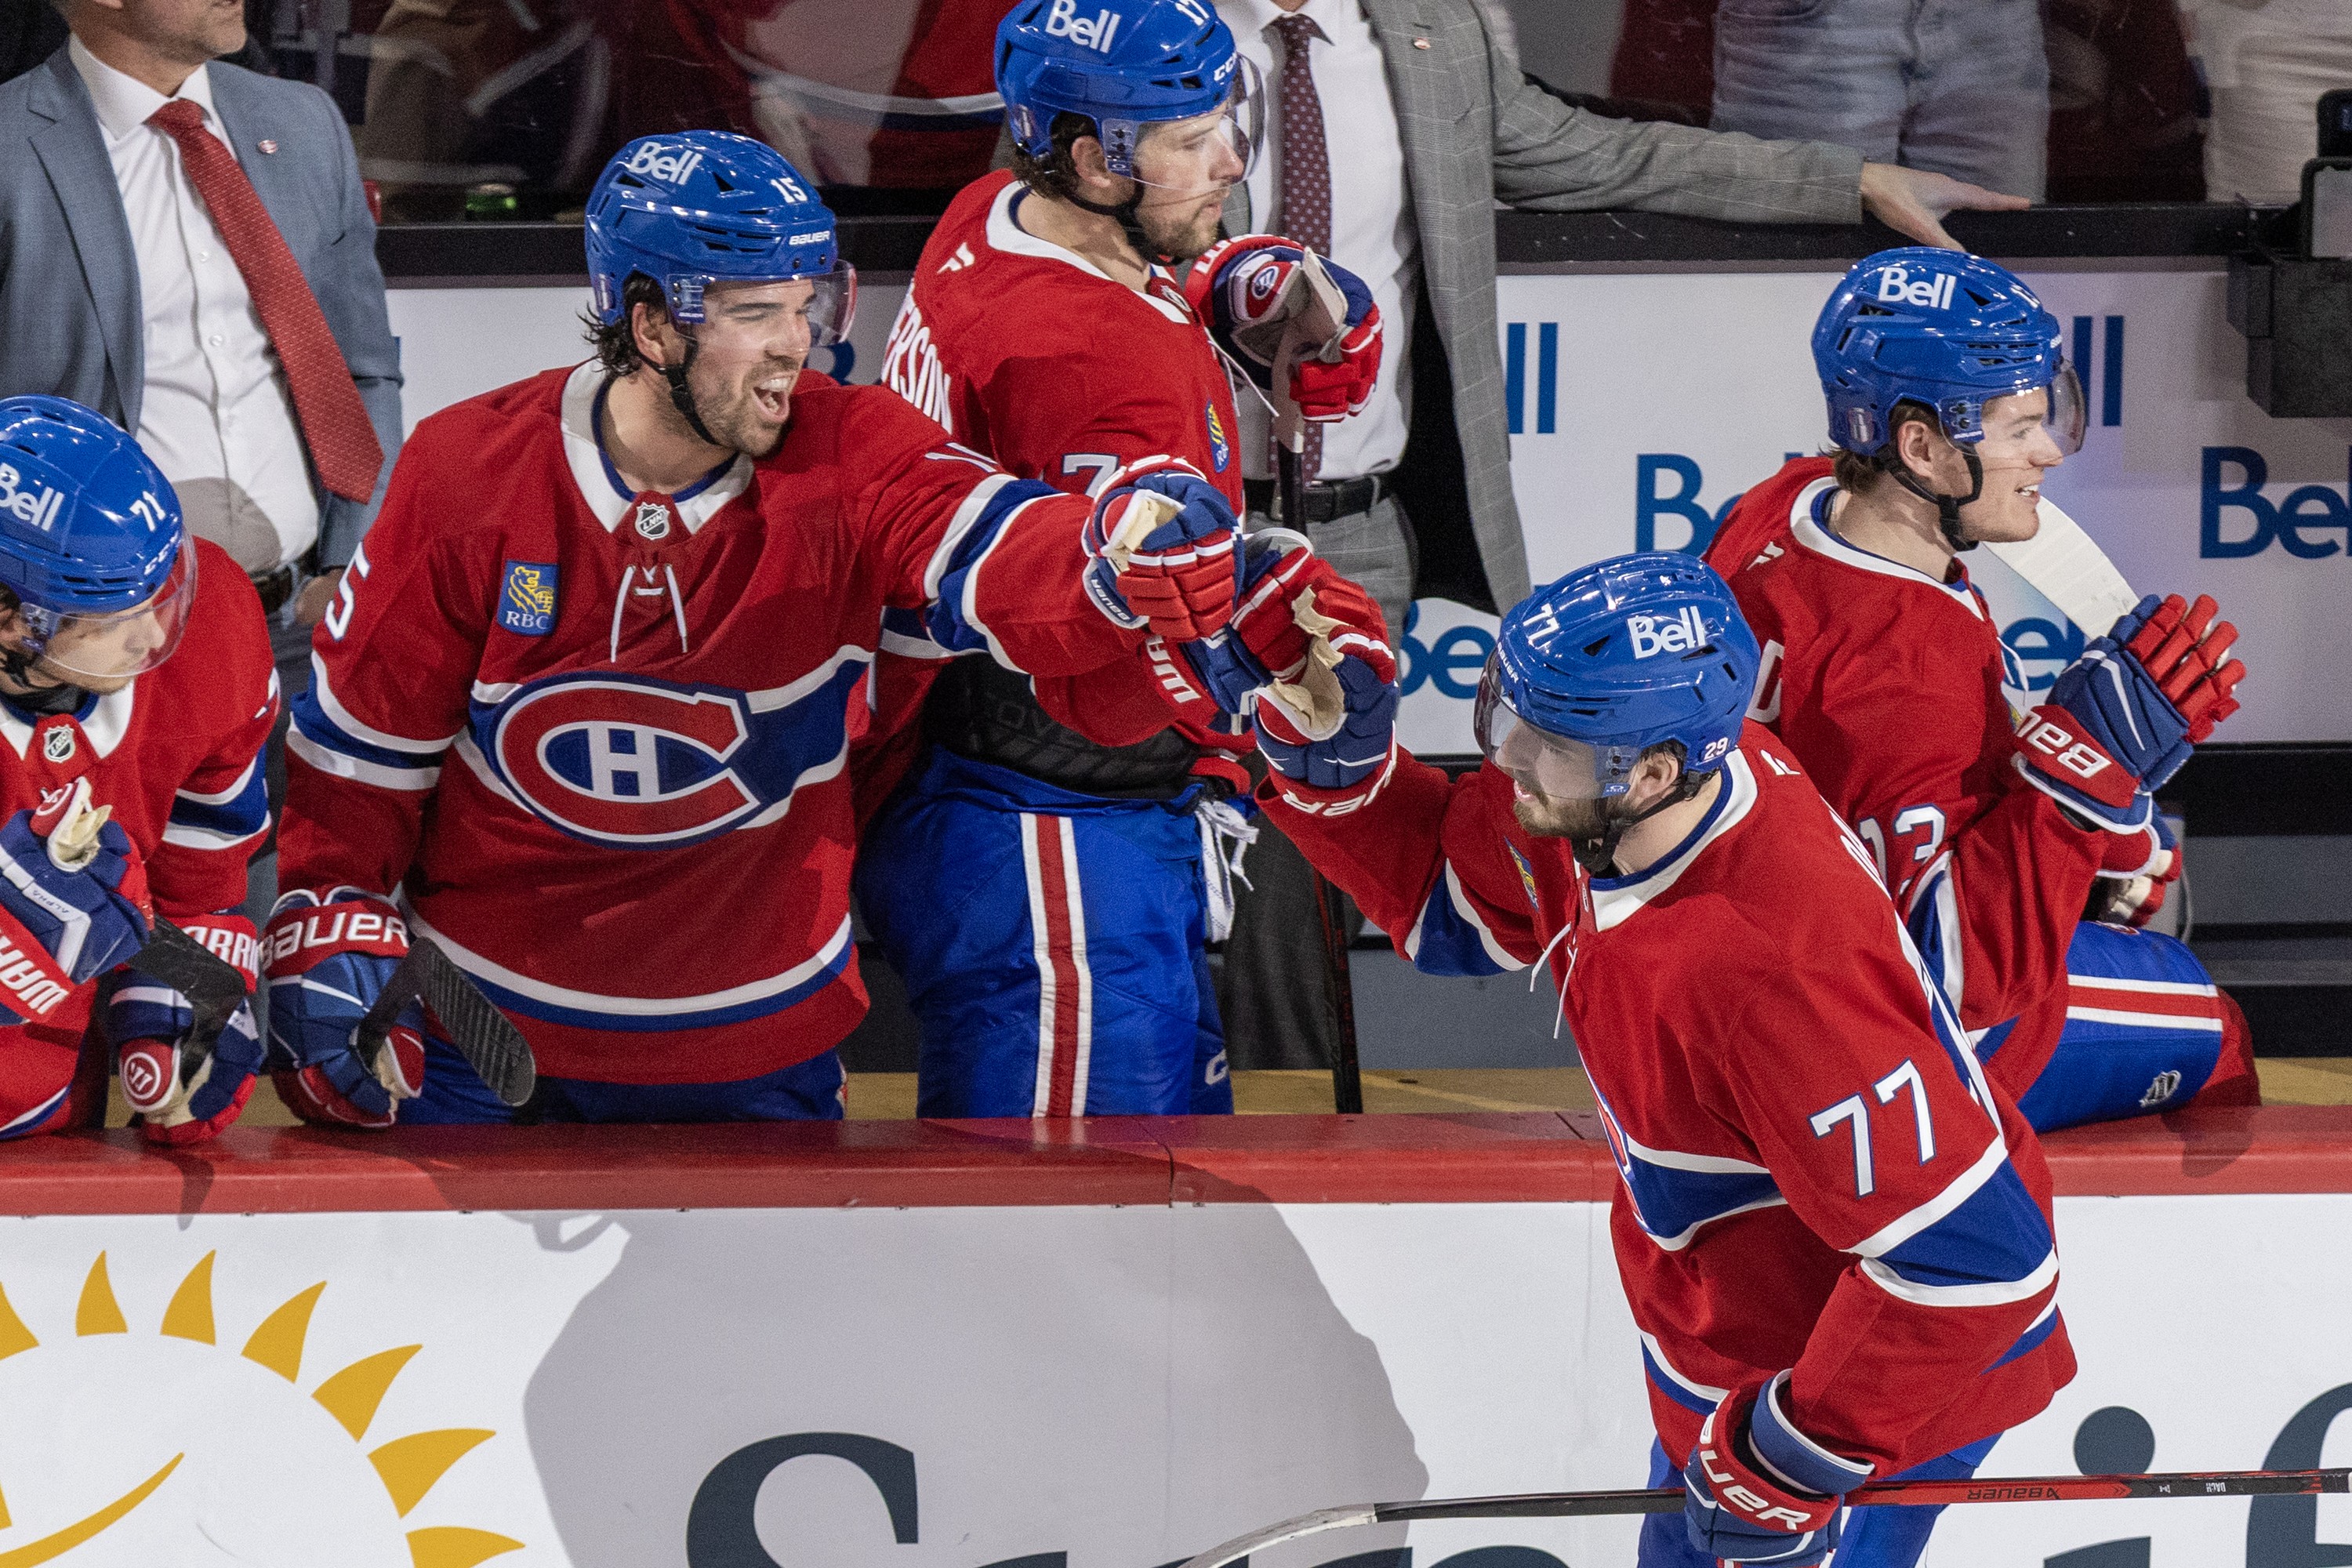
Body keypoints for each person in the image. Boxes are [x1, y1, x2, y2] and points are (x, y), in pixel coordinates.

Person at [262, 130, 1266, 1127]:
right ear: (650, 325)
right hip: (478, 1038)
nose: (799, 341)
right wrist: (326, 906)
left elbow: (990, 539)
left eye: (806, 303)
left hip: (756, 1048)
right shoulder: (466, 470)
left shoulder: (854, 447)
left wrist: (1111, 547)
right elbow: (364, 757)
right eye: (756, 314)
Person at [1207, 0, 2034, 1073]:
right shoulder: (1122, 34)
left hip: (1352, 526)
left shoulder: (1428, 30)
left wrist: (1844, 182)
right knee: (1129, 841)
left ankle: (1274, 1138)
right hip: (1186, 510)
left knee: (1299, 879)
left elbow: (1600, 154)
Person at [1247, 552, 2073, 1568]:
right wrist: (1329, 766)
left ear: (1652, 773)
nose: (1507, 759)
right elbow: (1454, 905)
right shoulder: (1610, 797)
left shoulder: (1779, 978)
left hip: (1850, 1401)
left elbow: (1982, 1265)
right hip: (1726, 1344)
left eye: (1541, 741)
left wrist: (1792, 1454)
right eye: (1511, 716)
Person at [863, 0, 1383, 1116]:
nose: (1233, 161)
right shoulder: (1091, 360)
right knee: (1079, 1228)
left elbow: (1087, 303)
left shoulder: (993, 208)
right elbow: (1113, 680)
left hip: (986, 805)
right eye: (1190, 140)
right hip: (1061, 853)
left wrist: (1224, 286)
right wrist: (1298, 666)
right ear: (1096, 158)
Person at [1703, 248, 2257, 1132]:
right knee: (2215, 1030)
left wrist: (2095, 822)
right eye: (2021, 427)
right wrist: (2081, 783)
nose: (2048, 451)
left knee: (2134, 858)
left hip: (1734, 978)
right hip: (1876, 1058)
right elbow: (1954, 983)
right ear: (1921, 445)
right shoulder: (1901, 669)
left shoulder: (1785, 502)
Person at [0, 0, 403, 924]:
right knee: (115, 947)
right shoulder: (10, 147)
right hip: (110, 656)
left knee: (279, 939)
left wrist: (353, 556)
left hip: (304, 618)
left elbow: (360, 360)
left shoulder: (301, 124)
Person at [0, 396, 278, 1144]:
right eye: (115, 613)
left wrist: (181, 999)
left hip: (59, 1115)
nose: (157, 629)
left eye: (160, 589)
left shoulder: (211, 628)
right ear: (13, 620)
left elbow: (202, 880)